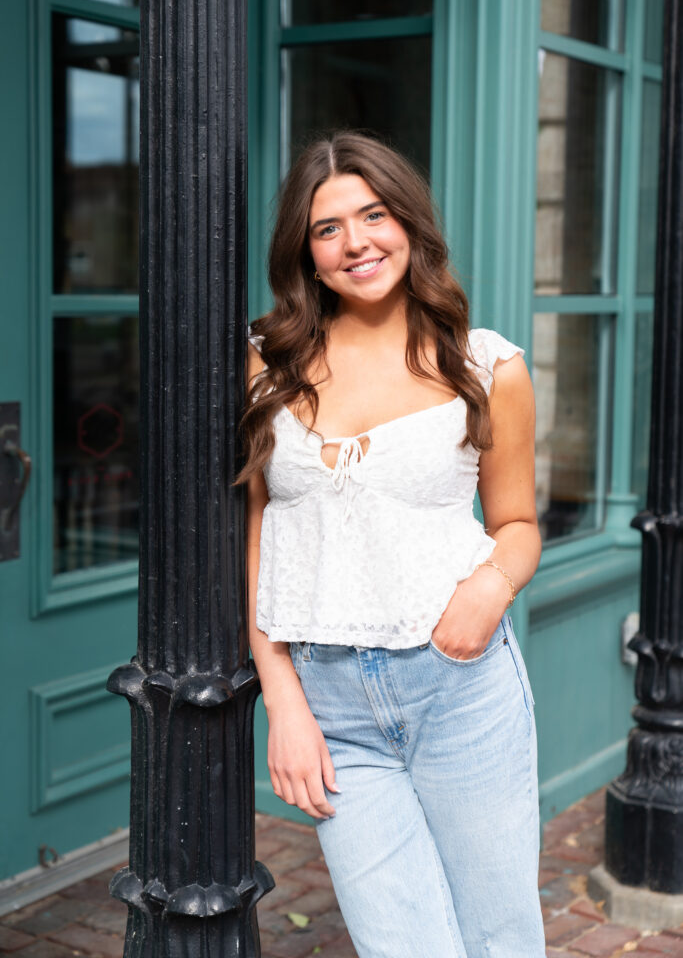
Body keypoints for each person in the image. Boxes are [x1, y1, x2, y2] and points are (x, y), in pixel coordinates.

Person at [237, 131, 546, 958]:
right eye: (326, 227)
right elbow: (261, 533)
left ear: (407, 223)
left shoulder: (486, 367)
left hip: (459, 688)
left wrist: (487, 592)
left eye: (372, 215)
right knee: (399, 944)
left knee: (498, 936)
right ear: (305, 251)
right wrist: (284, 701)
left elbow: (516, 524)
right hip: (330, 703)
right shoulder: (269, 362)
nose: (355, 243)